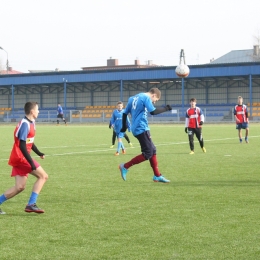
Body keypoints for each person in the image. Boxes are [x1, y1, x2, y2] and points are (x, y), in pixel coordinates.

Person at [0, 102, 48, 215]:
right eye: (37, 109)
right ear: (32, 111)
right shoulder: (25, 124)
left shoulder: (31, 122)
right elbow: (22, 145)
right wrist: (31, 162)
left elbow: (29, 141)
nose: (38, 111)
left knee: (19, 187)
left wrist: (38, 152)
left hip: (19, 157)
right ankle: (31, 204)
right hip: (21, 157)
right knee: (43, 176)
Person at [118, 88, 172, 183]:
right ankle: (125, 166)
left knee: (153, 150)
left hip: (137, 128)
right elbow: (153, 112)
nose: (154, 102)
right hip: (141, 128)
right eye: (155, 100)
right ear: (154, 95)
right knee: (147, 153)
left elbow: (124, 113)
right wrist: (166, 108)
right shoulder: (146, 98)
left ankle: (157, 175)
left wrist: (123, 127)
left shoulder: (133, 98)